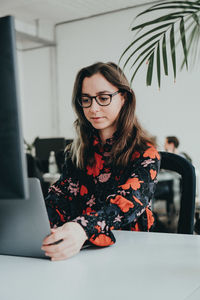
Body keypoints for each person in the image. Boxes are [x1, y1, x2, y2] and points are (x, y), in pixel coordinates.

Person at [41, 62, 160, 261]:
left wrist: (81, 228)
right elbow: (61, 197)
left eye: (103, 98)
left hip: (128, 254)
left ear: (124, 97)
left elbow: (127, 204)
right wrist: (37, 221)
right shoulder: (76, 151)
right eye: (86, 100)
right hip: (80, 252)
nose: (93, 108)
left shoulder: (145, 153)